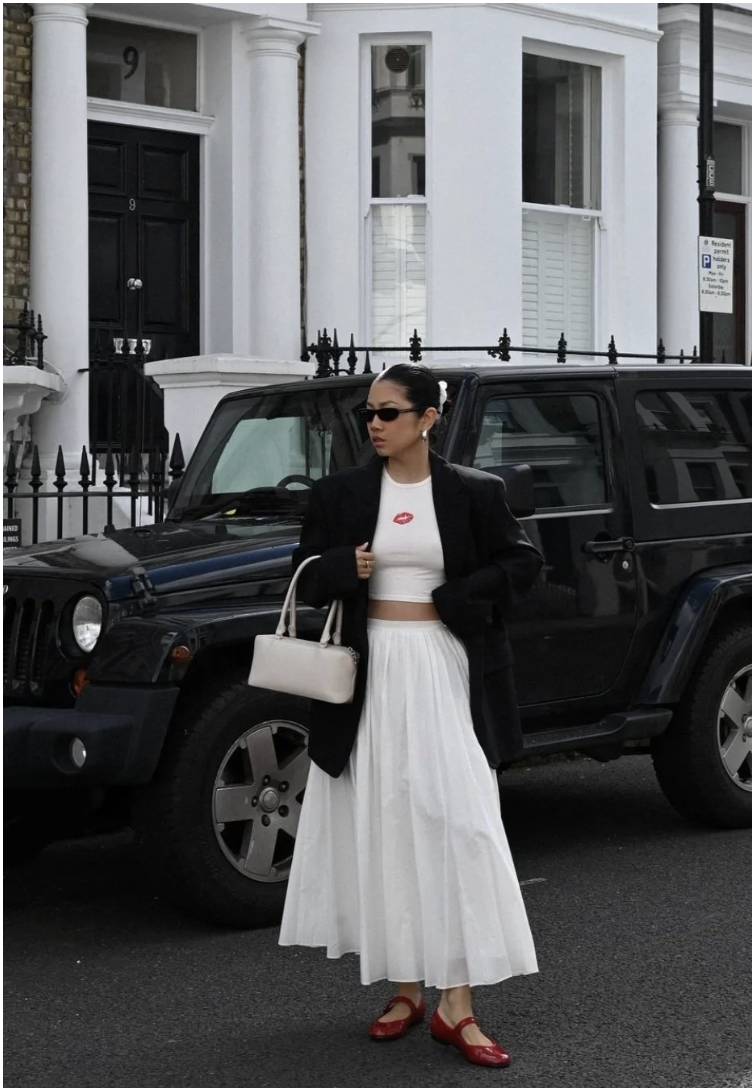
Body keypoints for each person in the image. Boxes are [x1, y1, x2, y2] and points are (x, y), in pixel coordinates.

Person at [279, 363, 543, 1067]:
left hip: (443, 665)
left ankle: (459, 1003)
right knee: (386, 820)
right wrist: (344, 566)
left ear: (428, 417)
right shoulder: (341, 494)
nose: (374, 424)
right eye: (370, 412)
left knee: (458, 820)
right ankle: (406, 991)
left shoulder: (472, 493)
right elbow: (305, 573)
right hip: (370, 674)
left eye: (389, 412)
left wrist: (461, 598)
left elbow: (523, 564)